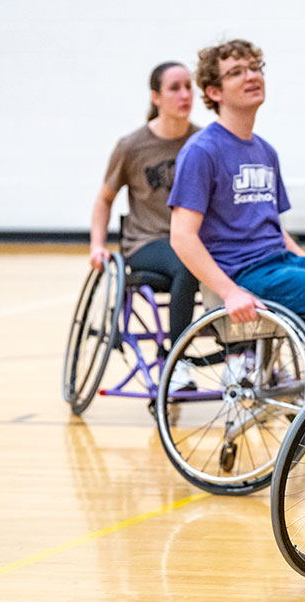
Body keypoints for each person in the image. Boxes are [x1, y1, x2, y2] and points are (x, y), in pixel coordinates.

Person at [167, 39, 305, 371]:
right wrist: (230, 292)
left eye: (255, 68)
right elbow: (182, 237)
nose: (251, 76)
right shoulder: (201, 151)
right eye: (236, 72)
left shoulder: (265, 151)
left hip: (281, 263)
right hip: (246, 274)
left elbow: (272, 228)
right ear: (214, 92)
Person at [89, 61, 200, 386]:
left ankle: (240, 354)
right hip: (146, 243)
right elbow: (104, 199)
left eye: (188, 87)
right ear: (155, 96)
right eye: (174, 88)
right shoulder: (132, 146)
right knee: (187, 260)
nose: (184, 94)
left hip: (191, 238)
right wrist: (97, 245)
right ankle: (175, 360)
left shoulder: (203, 140)